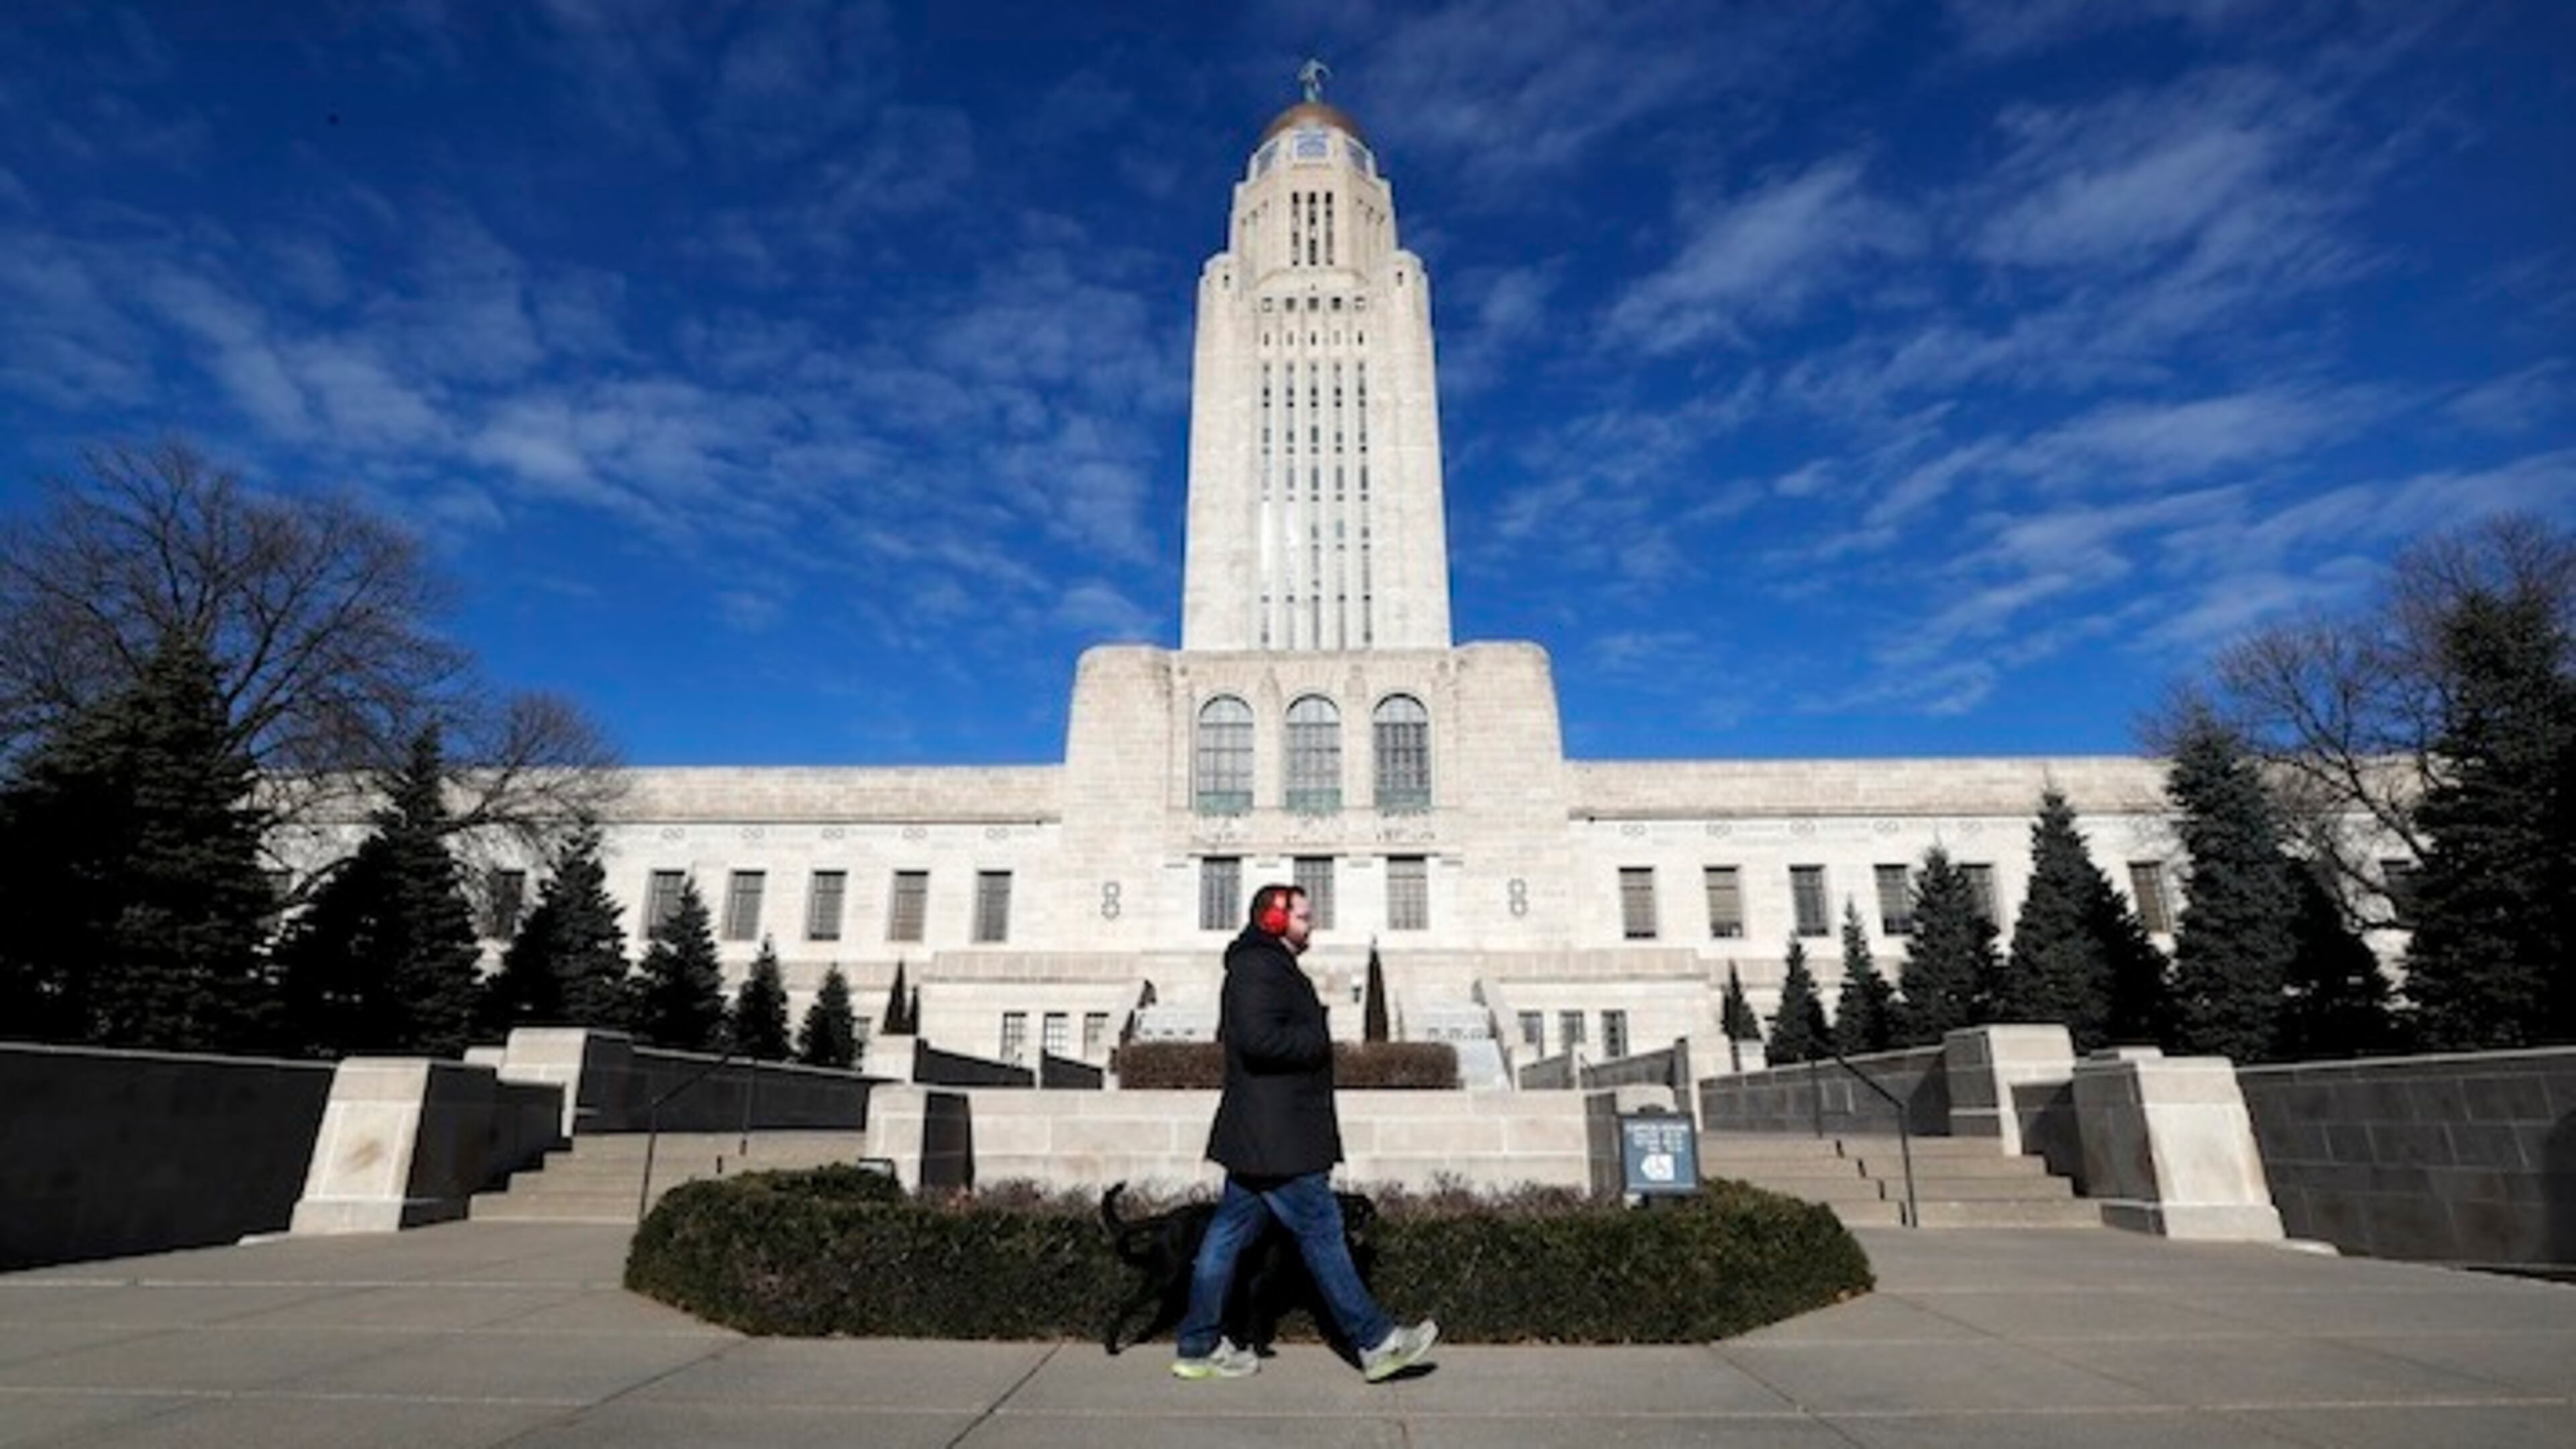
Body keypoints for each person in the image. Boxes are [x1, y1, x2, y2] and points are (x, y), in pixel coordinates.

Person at [1171, 883, 1439, 1382]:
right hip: (1278, 1138)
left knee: (1226, 1237)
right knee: (1321, 1233)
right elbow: (1256, 1040)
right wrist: (1316, 1037)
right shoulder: (1258, 966)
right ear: (1273, 920)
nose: (1311, 923)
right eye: (1302, 916)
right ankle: (1377, 1342)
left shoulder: (1267, 965)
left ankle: (1198, 1344)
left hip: (1264, 1135)